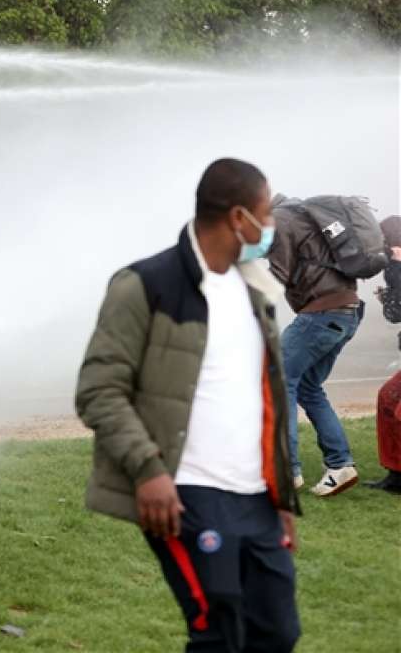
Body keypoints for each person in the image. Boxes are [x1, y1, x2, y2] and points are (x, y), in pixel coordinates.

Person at [76, 158, 301, 652]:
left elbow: (266, 398)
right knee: (219, 631)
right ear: (237, 217)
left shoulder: (255, 289)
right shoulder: (144, 284)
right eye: (265, 215)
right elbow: (98, 389)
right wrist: (148, 471)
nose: (271, 227)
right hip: (187, 491)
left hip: (257, 496)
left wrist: (279, 496)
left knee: (277, 633)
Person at [268, 195, 362, 496]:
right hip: (347, 310)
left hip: (321, 314)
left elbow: (276, 274)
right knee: (308, 386)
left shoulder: (280, 221)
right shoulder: (309, 221)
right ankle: (340, 465)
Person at [368, 215, 401, 494]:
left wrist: (387, 298)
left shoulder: (395, 266)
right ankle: (396, 475)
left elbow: (396, 312)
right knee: (387, 398)